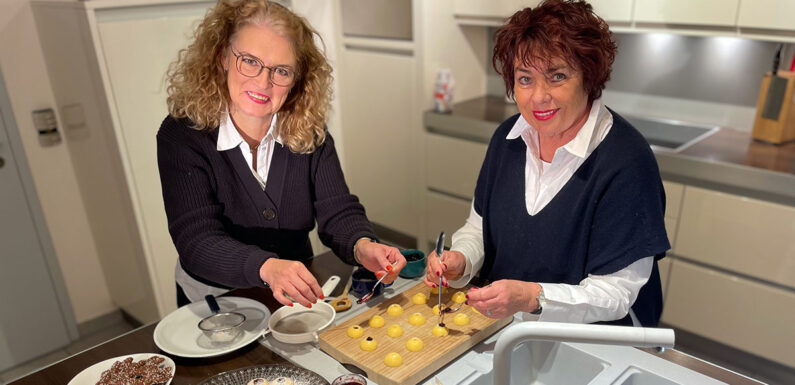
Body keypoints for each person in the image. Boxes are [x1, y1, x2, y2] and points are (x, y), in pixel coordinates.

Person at [424, 0, 669, 327]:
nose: (538, 96)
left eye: (557, 76)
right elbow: (480, 227)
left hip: (595, 344)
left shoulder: (626, 162)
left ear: (589, 77)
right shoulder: (507, 141)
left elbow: (616, 293)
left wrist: (533, 298)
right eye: (525, 79)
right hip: (513, 329)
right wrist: (462, 260)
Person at [158, 0, 405, 308]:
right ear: (223, 56)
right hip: (215, 301)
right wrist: (267, 268)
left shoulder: (308, 129)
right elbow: (197, 240)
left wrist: (362, 246)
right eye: (249, 61)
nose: (263, 82)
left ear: (297, 78)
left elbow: (337, 209)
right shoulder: (182, 135)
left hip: (293, 296)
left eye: (281, 71)